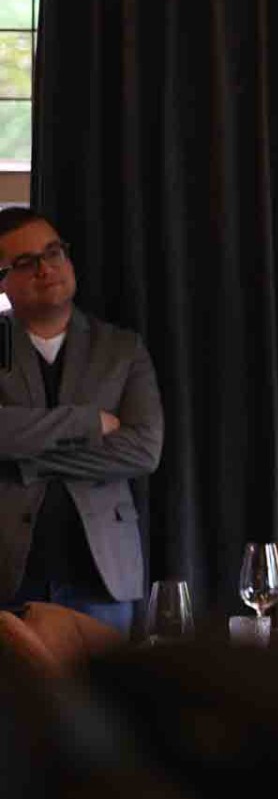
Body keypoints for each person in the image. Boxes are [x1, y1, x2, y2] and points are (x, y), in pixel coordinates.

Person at [0, 208, 163, 634]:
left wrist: (22, 458)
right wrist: (86, 423)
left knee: (105, 683)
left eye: (53, 252)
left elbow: (143, 451)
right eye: (25, 262)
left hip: (102, 580)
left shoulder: (121, 348)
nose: (45, 269)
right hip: (7, 577)